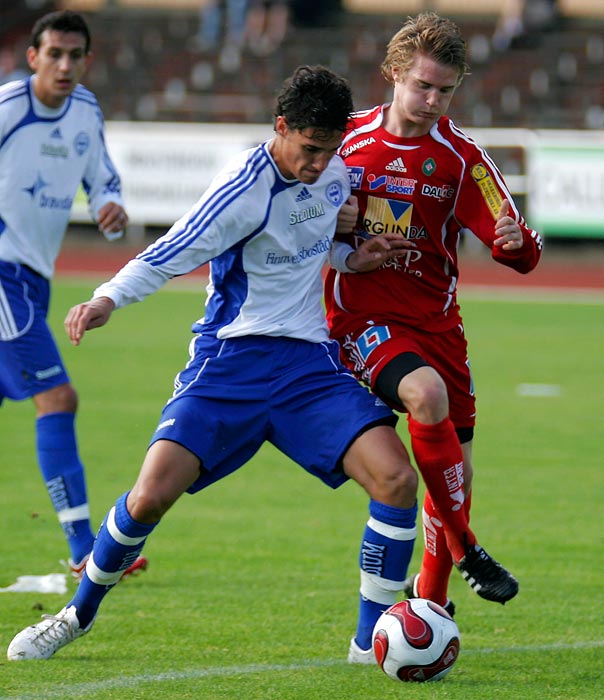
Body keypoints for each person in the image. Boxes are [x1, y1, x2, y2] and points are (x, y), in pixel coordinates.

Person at [6, 64, 426, 662]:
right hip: (230, 364)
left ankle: (369, 642)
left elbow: (318, 245)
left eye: (329, 149)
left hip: (307, 364)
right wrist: (106, 298)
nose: (318, 162)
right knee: (149, 497)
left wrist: (355, 257)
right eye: (308, 149)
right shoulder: (240, 190)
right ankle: (77, 614)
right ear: (281, 127)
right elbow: (169, 251)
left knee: (396, 479)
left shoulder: (334, 171)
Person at [325, 11, 542, 660]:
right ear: (393, 73)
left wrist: (514, 243)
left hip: (438, 326)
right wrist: (332, 225)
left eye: (444, 91)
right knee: (424, 397)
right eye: (421, 85)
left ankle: (432, 595)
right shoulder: (343, 141)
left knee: (457, 474)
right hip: (361, 324)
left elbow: (523, 251)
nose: (431, 101)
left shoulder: (461, 158)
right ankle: (469, 549)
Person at [0, 11, 147, 581]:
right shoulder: (9, 108)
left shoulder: (86, 110)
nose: (65, 65)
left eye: (75, 55)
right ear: (31, 56)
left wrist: (110, 208)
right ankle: (84, 546)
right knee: (58, 399)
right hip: (3, 274)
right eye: (53, 53)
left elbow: (102, 180)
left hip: (33, 280)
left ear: (87, 60)